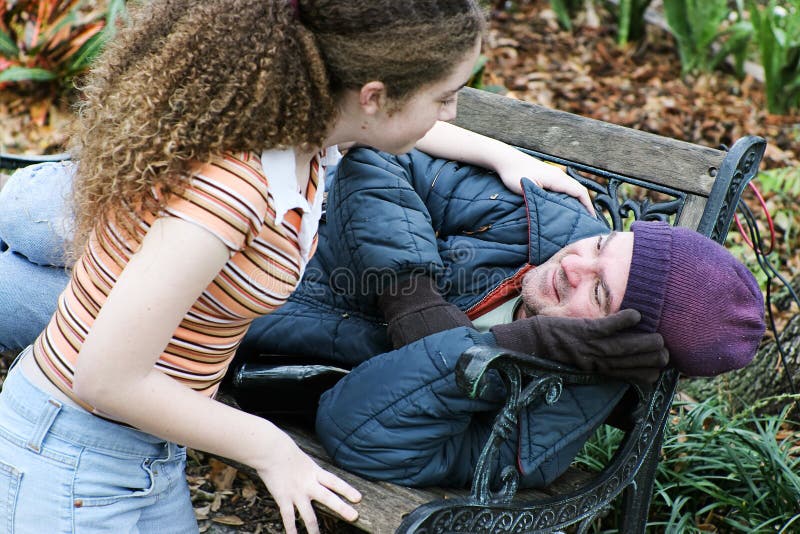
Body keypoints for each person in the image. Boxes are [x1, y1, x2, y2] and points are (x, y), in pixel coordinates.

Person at [0, 1, 605, 532]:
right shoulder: (232, 193)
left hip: (146, 449)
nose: (451, 115)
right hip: (75, 453)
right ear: (372, 96)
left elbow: (411, 134)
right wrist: (271, 448)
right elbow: (105, 379)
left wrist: (505, 157)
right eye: (445, 98)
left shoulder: (304, 139)